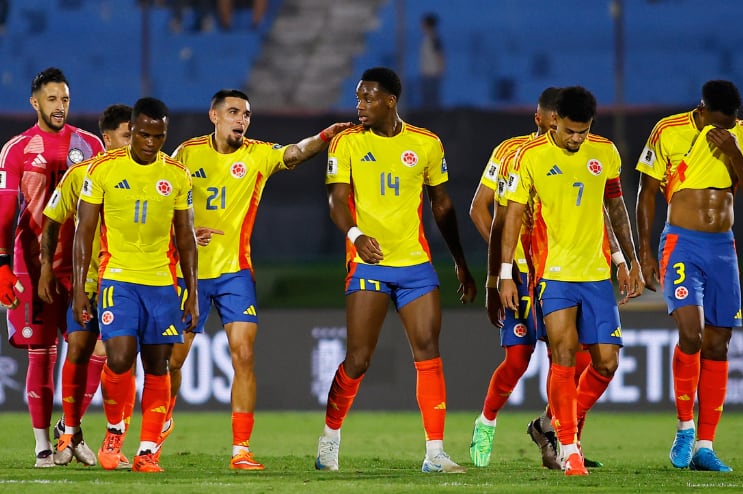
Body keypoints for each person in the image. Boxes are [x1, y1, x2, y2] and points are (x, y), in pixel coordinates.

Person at [169, 89, 352, 470]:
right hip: (191, 274)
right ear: (214, 115)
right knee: (173, 360)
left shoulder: (257, 154)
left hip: (236, 272)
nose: (242, 120)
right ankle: (160, 423)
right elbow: (162, 198)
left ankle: (241, 449)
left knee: (245, 356)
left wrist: (324, 137)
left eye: (247, 114)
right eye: (234, 112)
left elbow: (295, 153)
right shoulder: (186, 154)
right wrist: (183, 232)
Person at [315, 67, 477, 473]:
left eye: (367, 98)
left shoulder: (425, 143)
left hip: (415, 265)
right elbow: (336, 200)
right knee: (358, 359)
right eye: (357, 98)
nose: (359, 106)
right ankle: (329, 441)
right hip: (368, 262)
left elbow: (441, 205)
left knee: (428, 351)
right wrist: (354, 235)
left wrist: (459, 260)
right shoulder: (346, 142)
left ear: (390, 100)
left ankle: (435, 453)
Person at [495, 86, 643, 476]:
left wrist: (627, 259)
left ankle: (551, 423)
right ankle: (570, 448)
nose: (577, 139)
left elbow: (614, 207)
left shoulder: (605, 152)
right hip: (554, 274)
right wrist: (505, 274)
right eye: (570, 131)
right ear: (554, 121)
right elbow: (511, 217)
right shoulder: (529, 156)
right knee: (562, 358)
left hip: (596, 274)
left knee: (607, 363)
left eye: (584, 131)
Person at [635, 80, 743, 472]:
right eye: (721, 121)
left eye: (733, 121)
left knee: (719, 343)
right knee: (691, 333)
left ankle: (705, 447)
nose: (727, 127)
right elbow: (645, 191)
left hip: (722, 248)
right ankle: (685, 426)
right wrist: (644, 252)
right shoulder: (668, 130)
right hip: (682, 243)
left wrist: (736, 155)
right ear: (703, 110)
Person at [72, 97, 198, 473]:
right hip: (118, 279)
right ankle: (114, 431)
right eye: (143, 134)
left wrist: (191, 293)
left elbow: (187, 237)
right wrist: (81, 288)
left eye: (158, 135)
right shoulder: (104, 170)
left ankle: (147, 451)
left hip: (161, 282)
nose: (150, 141)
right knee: (120, 357)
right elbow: (84, 231)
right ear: (132, 130)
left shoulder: (176, 174)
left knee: (158, 365)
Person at [0, 67, 104, 468]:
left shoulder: (89, 144)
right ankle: (43, 446)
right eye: (52, 99)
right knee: (41, 354)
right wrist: (3, 267)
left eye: (65, 100)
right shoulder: (17, 149)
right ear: (35, 102)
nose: (60, 107)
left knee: (93, 347)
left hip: (80, 268)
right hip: (32, 265)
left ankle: (69, 429)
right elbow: (6, 214)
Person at [38, 104, 133, 468]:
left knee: (111, 356)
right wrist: (46, 267)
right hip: (86, 280)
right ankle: (69, 429)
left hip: (124, 281)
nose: (133, 143)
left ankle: (102, 436)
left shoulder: (145, 172)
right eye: (126, 136)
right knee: (78, 348)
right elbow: (52, 218)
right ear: (106, 138)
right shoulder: (82, 174)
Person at [419, 13, 444, 108]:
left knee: (431, 98)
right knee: (428, 97)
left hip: (432, 73)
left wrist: (440, 70)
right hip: (427, 73)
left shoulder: (434, 39)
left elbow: (440, 55)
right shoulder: (427, 38)